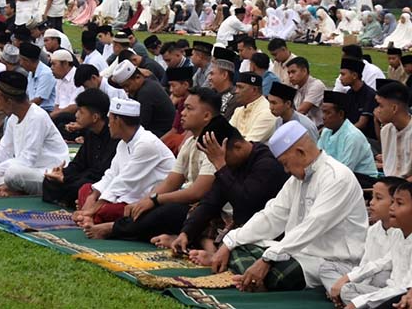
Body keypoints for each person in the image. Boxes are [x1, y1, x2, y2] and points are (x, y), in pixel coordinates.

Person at [209, 121, 368, 292]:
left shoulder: (337, 178)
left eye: (285, 163)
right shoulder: (296, 180)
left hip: (331, 261)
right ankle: (255, 278)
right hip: (295, 253)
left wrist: (267, 260)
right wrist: (229, 243)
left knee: (282, 274)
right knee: (238, 247)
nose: (285, 170)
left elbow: (313, 225)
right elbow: (271, 215)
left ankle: (254, 276)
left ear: (300, 152)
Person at [101, 88, 220, 242]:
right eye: (183, 108)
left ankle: (112, 229)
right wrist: (148, 200)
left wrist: (155, 199)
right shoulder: (191, 142)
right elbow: (171, 181)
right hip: (184, 202)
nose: (182, 113)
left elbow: (196, 193)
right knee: (146, 207)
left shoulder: (214, 144)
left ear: (206, 116)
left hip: (205, 209)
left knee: (165, 211)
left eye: (189, 109)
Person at [170, 118, 288, 265]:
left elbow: (245, 205)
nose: (217, 163)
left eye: (221, 157)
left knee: (246, 255)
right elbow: (211, 201)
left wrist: (221, 165)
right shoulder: (232, 164)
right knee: (197, 214)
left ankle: (215, 253)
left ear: (237, 147)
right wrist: (185, 233)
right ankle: (207, 247)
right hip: (238, 225)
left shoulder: (267, 164)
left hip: (265, 231)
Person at [75, 97, 175, 237]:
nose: (108, 124)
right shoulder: (123, 143)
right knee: (85, 188)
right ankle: (91, 218)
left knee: (107, 209)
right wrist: (94, 196)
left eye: (110, 120)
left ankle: (92, 218)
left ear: (118, 121)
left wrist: (93, 208)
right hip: (123, 195)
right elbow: (112, 174)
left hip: (143, 199)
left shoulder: (146, 143)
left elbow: (125, 181)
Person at [0, 71, 70, 196]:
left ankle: (9, 187)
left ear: (9, 101)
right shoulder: (14, 118)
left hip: (47, 171)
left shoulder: (37, 117)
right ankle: (7, 188)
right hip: (26, 169)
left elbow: (28, 159)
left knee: (13, 173)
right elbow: (4, 150)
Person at [324, 179, 412, 309]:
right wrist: (348, 280)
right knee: (343, 284)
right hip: (390, 291)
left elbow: (404, 288)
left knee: (382, 281)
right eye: (393, 202)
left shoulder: (396, 232)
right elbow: (377, 262)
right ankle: (340, 293)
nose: (392, 208)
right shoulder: (397, 234)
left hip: (398, 293)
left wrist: (358, 302)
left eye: (399, 203)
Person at [42, 88, 119, 207]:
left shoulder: (114, 135)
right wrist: (63, 173)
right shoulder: (90, 133)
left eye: (81, 112)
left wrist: (67, 179)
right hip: (83, 177)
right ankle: (68, 200)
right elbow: (78, 163)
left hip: (99, 180)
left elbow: (101, 172)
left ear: (95, 117)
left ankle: (68, 200)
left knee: (81, 187)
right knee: (49, 181)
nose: (76, 115)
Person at [318, 90, 379, 187]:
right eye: (323, 112)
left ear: (341, 114)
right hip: (333, 174)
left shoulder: (353, 136)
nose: (323, 117)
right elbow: (318, 158)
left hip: (361, 178)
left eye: (328, 113)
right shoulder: (326, 131)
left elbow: (345, 170)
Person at [109, 60, 175, 136]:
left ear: (137, 77)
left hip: (163, 132)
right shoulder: (147, 81)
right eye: (123, 87)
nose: (126, 90)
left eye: (127, 86)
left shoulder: (145, 92)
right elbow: (110, 81)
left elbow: (141, 125)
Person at [375, 81, 412, 178]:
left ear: (394, 108)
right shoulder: (386, 131)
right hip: (389, 185)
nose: (377, 110)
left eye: (380, 105)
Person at [227, 72, 276, 142]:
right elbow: (226, 135)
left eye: (240, 87)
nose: (236, 91)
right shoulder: (238, 110)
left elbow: (249, 145)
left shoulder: (267, 112)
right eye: (236, 87)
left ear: (254, 90)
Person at [340, 58, 379, 140]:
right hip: (350, 135)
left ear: (354, 76)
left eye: (343, 74)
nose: (340, 78)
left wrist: (342, 134)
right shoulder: (349, 93)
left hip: (366, 139)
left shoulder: (370, 94)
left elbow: (362, 123)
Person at [50, 49, 82, 138]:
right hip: (61, 116)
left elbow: (74, 107)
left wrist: (53, 115)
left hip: (74, 116)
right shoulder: (59, 79)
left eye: (54, 64)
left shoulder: (77, 77)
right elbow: (57, 105)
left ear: (65, 64)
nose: (51, 68)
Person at [286, 56, 326, 128]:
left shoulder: (316, 85)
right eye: (288, 73)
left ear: (304, 71)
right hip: (304, 126)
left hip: (319, 128)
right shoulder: (295, 86)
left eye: (293, 72)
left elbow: (301, 111)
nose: (290, 76)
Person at [18, 41, 56, 112]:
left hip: (46, 111)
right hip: (33, 108)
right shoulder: (31, 72)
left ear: (27, 61)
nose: (20, 63)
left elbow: (38, 100)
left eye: (21, 60)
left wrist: (21, 109)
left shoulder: (46, 74)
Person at [209, 46, 240, 119]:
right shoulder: (211, 93)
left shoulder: (235, 98)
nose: (209, 78)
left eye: (212, 74)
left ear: (224, 75)